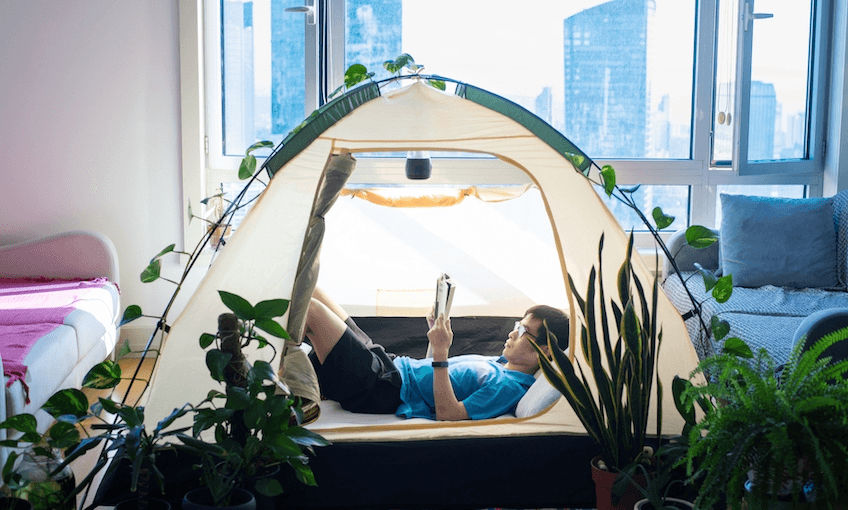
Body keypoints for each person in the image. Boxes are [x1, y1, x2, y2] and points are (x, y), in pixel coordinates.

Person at [305, 287, 570, 421]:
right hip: (390, 365)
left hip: (381, 388)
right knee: (311, 288)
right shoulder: (502, 364)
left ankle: (293, 388)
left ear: (545, 351)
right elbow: (437, 377)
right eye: (517, 326)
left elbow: (448, 413)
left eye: (523, 331)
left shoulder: (508, 387)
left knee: (312, 311)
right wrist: (436, 337)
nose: (513, 334)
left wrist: (442, 351)